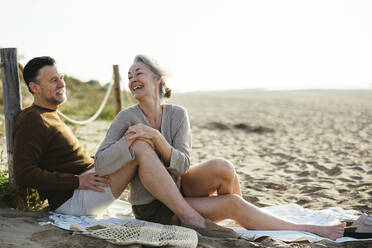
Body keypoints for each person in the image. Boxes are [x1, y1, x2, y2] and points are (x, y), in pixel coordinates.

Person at [94, 55, 346, 240]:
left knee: (224, 167)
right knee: (233, 203)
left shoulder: (178, 114)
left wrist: (157, 138)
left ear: (158, 79)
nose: (132, 80)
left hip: (180, 189)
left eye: (138, 73)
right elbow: (102, 163)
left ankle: (242, 216)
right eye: (129, 77)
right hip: (154, 206)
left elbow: (182, 165)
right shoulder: (126, 118)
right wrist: (129, 141)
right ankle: (306, 229)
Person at [13, 56, 237, 239]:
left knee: (222, 169)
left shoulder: (50, 115)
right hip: (73, 199)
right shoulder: (32, 120)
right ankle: (191, 217)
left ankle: (231, 209)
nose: (62, 83)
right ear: (35, 87)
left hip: (87, 184)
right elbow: (24, 174)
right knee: (138, 143)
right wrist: (76, 180)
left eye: (61, 77)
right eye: (53, 80)